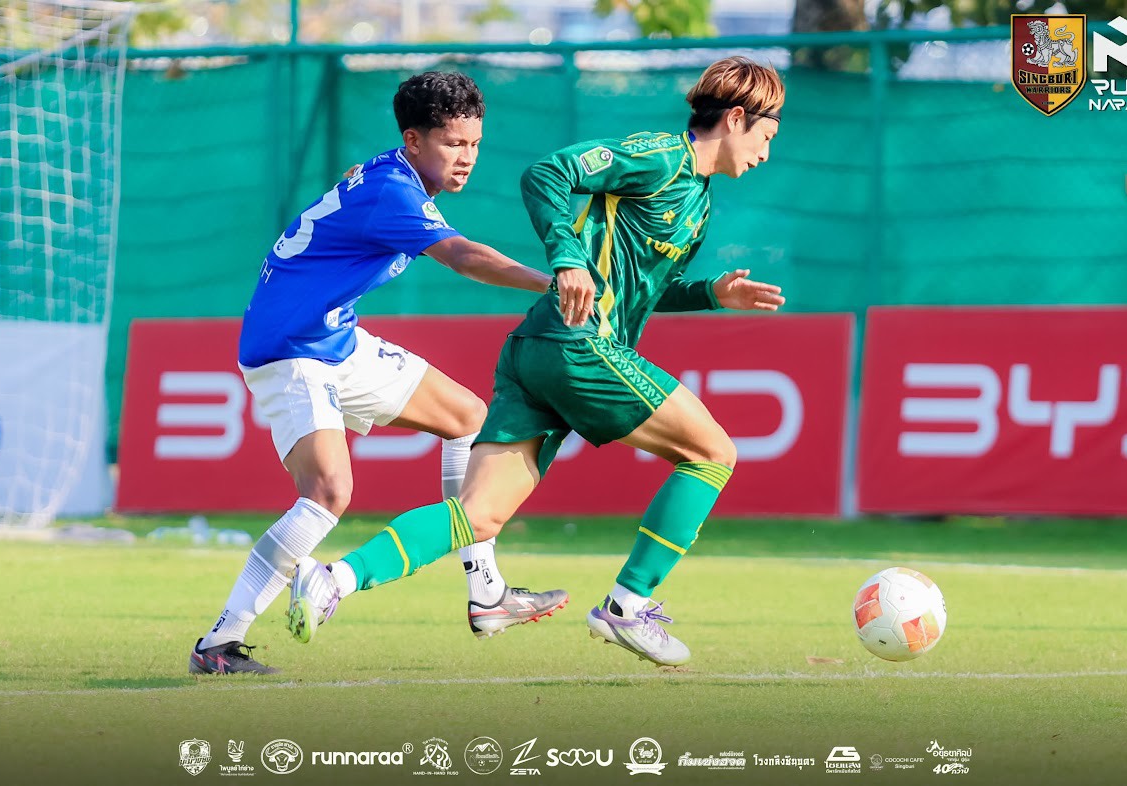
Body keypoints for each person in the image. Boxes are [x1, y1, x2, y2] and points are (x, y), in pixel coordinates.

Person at [285, 56, 787, 667]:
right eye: (766, 135)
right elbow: (547, 172)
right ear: (735, 119)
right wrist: (567, 259)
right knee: (713, 454)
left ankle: (332, 580)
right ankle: (630, 602)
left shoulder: (699, 201)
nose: (766, 153)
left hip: (539, 349)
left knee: (477, 517)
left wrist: (711, 294)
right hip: (581, 345)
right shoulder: (660, 157)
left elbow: (641, 288)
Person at [189, 71, 568, 675]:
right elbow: (463, 257)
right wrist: (554, 282)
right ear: (413, 140)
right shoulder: (393, 191)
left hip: (334, 339)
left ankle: (487, 593)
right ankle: (219, 643)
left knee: (469, 418)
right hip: (290, 349)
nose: (467, 157)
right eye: (453, 143)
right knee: (327, 493)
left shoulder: (396, 178)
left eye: (474, 143)